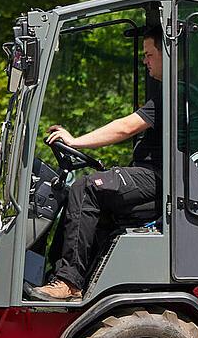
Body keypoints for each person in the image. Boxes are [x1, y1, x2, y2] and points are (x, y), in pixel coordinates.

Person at [33, 22, 169, 301]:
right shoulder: (165, 92)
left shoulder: (173, 93)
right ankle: (58, 276)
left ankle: (68, 281)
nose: (144, 61)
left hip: (159, 177)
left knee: (87, 188)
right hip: (153, 176)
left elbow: (125, 128)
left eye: (149, 54)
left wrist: (74, 141)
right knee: (79, 195)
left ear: (168, 54)